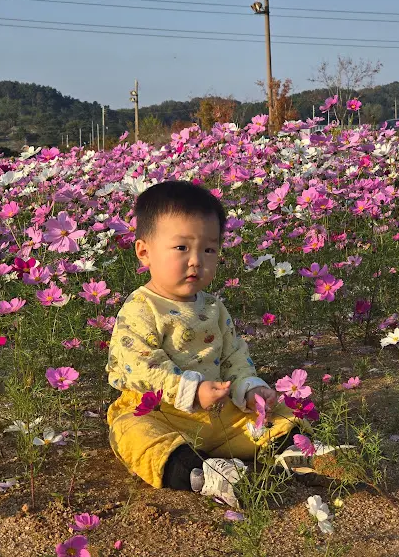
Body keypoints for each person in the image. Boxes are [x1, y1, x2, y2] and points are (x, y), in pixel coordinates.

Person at [106, 180, 297, 507]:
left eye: (209, 250)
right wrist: (191, 391)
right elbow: (140, 366)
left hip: (220, 412)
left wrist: (249, 388)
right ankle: (202, 474)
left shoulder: (213, 307)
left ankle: (297, 450)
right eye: (182, 248)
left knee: (279, 414)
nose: (196, 260)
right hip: (160, 412)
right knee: (131, 432)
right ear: (144, 252)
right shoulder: (140, 308)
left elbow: (234, 355)